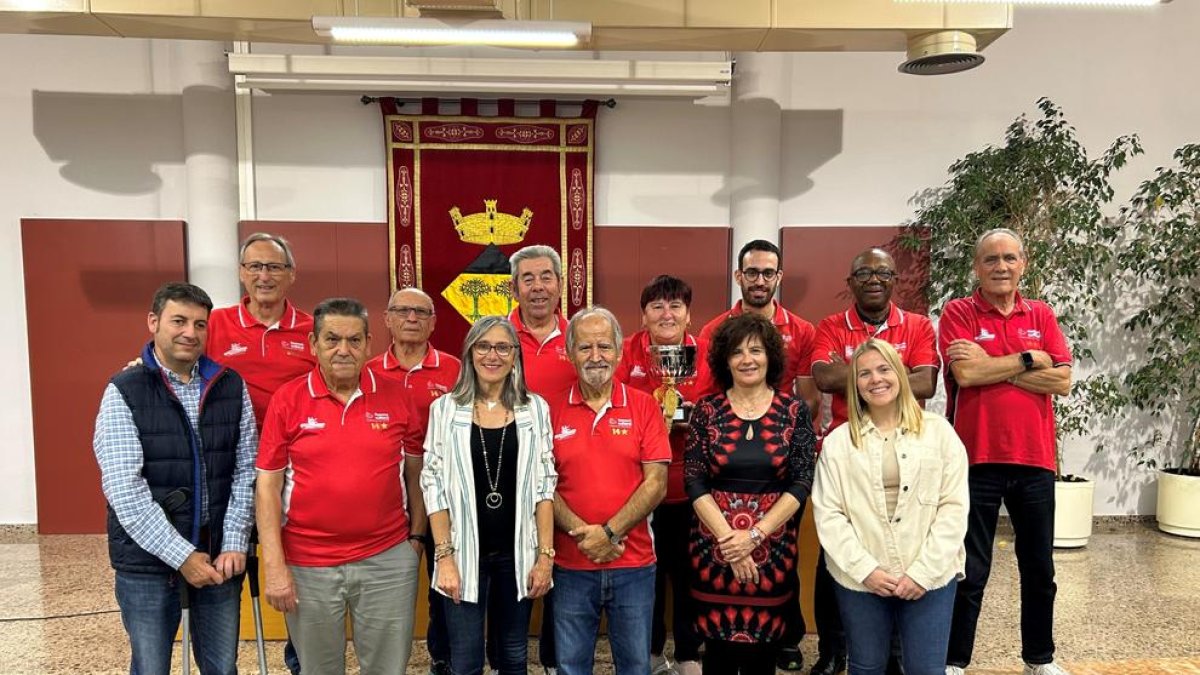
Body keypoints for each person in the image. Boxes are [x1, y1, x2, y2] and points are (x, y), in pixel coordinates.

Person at [94, 282, 257, 675]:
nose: (190, 332)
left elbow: (246, 467)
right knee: (150, 668)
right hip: (147, 563)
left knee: (222, 666)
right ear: (153, 322)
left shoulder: (230, 386)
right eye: (179, 321)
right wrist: (182, 557)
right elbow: (124, 490)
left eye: (200, 324)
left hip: (220, 554)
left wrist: (234, 541)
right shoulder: (123, 390)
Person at [255, 298, 426, 675]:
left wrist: (415, 540)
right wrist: (275, 565)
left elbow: (416, 473)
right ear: (314, 344)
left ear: (368, 343)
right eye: (332, 340)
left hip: (386, 559)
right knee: (319, 669)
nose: (343, 350)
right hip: (307, 563)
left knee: (387, 669)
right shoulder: (288, 400)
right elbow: (267, 487)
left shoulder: (398, 396)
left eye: (353, 340)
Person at [939, 228, 1073, 675]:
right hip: (976, 459)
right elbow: (967, 375)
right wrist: (1029, 359)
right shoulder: (958, 312)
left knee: (1039, 568)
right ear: (976, 267)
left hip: (1035, 461)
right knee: (970, 569)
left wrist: (995, 363)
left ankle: (1040, 658)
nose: (1001, 267)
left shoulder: (1043, 313)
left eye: (1009, 259)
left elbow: (1063, 381)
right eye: (991, 260)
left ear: (1023, 264)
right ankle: (955, 661)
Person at [808, 247, 940, 675]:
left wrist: (863, 370)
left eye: (882, 273)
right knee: (836, 556)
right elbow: (823, 378)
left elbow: (927, 383)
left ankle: (897, 656)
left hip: (905, 449)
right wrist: (889, 372)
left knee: (899, 549)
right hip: (849, 450)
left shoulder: (918, 325)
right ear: (850, 283)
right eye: (863, 273)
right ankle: (832, 653)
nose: (873, 280)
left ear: (894, 280)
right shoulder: (830, 326)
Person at [812, 339, 968, 675]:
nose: (876, 379)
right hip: (861, 578)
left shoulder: (940, 433)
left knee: (925, 669)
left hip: (930, 575)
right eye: (864, 373)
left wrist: (922, 572)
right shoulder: (839, 442)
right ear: (855, 384)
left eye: (884, 369)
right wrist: (866, 569)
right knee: (866, 666)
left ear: (899, 373)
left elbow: (953, 509)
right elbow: (829, 514)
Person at [698, 238, 818, 673]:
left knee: (776, 606)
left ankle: (786, 637)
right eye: (753, 272)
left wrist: (756, 533)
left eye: (769, 273)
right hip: (718, 518)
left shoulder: (802, 331)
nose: (761, 280)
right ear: (739, 276)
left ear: (779, 277)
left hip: (776, 499)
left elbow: (809, 402)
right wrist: (733, 538)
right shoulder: (712, 331)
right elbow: (700, 472)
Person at [420, 315, 557, 675]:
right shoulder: (446, 410)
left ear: (515, 356)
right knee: (465, 661)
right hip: (462, 554)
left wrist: (544, 556)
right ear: (469, 353)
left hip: (518, 553)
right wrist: (444, 556)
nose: (492, 355)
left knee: (513, 656)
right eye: (483, 346)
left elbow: (545, 486)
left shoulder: (535, 409)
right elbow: (432, 484)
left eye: (502, 347)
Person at [206, 231, 315, 675]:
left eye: (273, 267)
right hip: (230, 471)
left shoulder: (312, 329)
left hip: (294, 475)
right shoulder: (215, 325)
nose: (264, 276)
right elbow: (174, 357)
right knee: (230, 566)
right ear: (240, 274)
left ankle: (299, 662)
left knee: (293, 574)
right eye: (254, 266)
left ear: (291, 275)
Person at [549, 307, 670, 675]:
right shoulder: (548, 410)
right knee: (571, 666)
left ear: (619, 352)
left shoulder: (645, 406)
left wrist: (608, 532)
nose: (596, 356)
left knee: (635, 666)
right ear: (570, 354)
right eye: (585, 347)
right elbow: (542, 485)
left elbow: (656, 483)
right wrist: (584, 535)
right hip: (571, 563)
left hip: (634, 564)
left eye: (605, 346)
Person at [614, 275, 716, 675]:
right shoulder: (626, 352)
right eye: (657, 306)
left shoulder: (707, 353)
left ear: (689, 315)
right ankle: (652, 653)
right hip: (642, 486)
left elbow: (721, 408)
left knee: (691, 572)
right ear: (643, 316)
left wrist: (693, 417)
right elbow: (617, 407)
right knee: (648, 576)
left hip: (693, 483)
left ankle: (690, 653)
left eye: (675, 306)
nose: (667, 313)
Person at [367, 286, 461, 675]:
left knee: (444, 579)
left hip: (445, 495)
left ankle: (443, 656)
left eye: (421, 313)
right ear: (386, 318)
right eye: (402, 311)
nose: (411, 319)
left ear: (434, 323)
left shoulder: (455, 369)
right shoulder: (366, 370)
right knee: (381, 585)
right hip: (383, 493)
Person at [508, 244, 578, 674]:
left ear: (560, 284)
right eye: (527, 279)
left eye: (545, 277)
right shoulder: (494, 337)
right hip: (509, 473)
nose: (537, 287)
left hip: (570, 475)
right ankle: (508, 660)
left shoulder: (580, 337)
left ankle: (555, 661)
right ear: (514, 288)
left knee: (563, 573)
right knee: (513, 568)